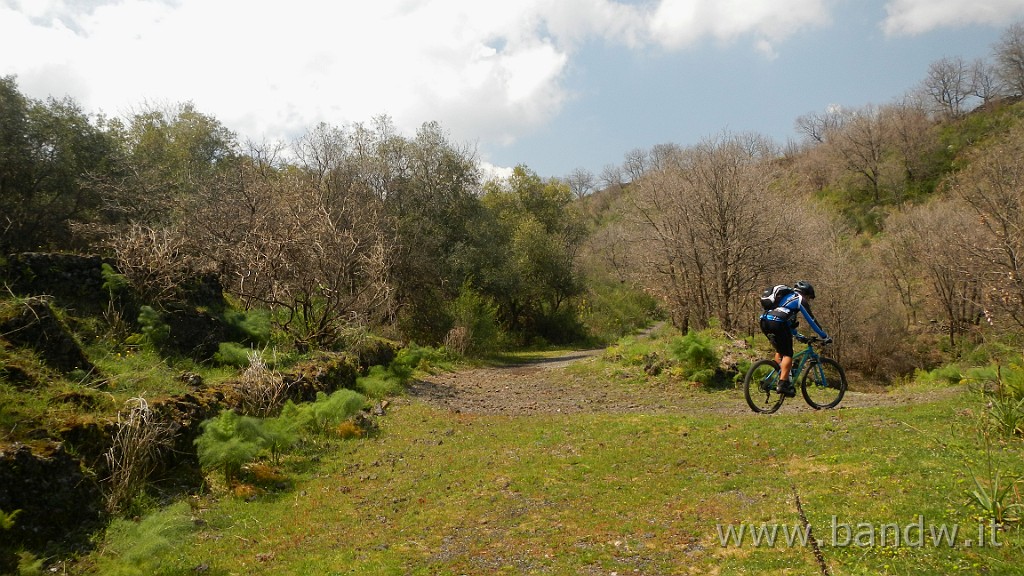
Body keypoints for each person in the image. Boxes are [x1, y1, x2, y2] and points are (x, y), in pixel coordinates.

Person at [758, 280, 831, 397]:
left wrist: (798, 336)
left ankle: (779, 375)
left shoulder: (784, 300)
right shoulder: (799, 299)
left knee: (780, 350)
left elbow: (787, 323)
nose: (808, 301)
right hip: (777, 323)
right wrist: (824, 336)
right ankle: (782, 384)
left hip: (764, 321)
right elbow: (811, 320)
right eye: (809, 298)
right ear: (806, 294)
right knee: (788, 354)